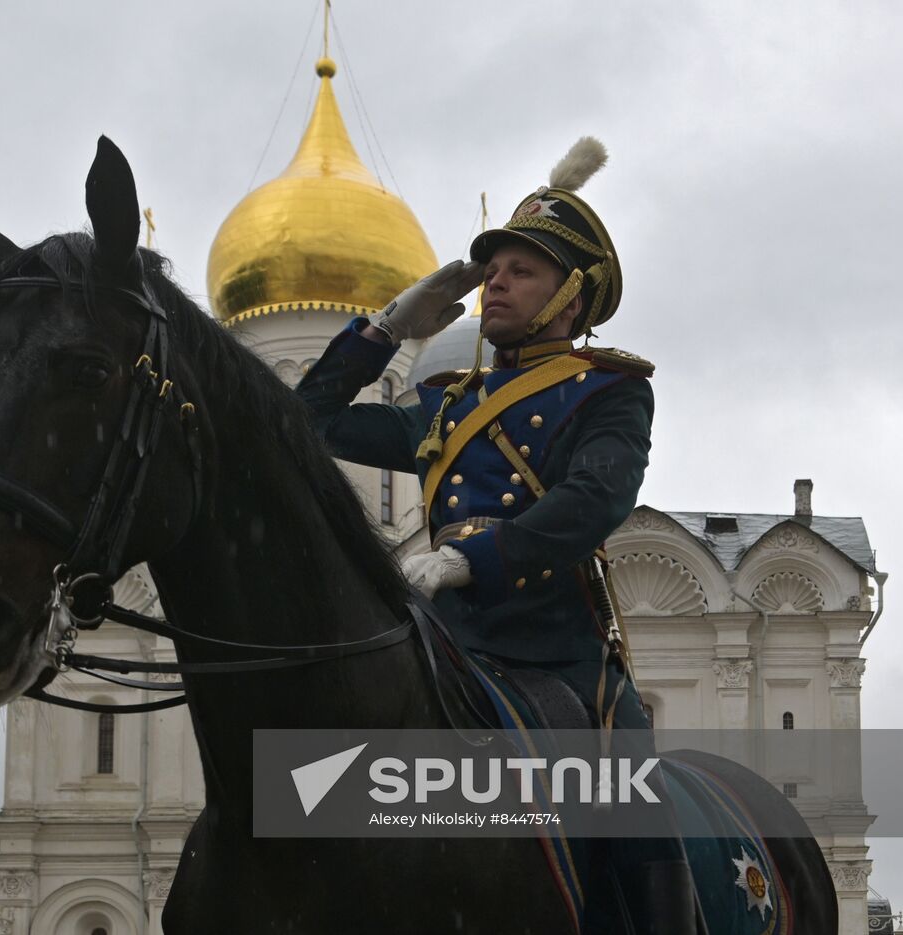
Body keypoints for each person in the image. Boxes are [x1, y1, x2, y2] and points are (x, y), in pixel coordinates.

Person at [295, 138, 698, 934]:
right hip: (444, 641)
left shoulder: (609, 393)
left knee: (633, 805)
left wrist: (469, 559)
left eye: (522, 271)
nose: (498, 284)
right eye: (494, 269)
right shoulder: (446, 404)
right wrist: (386, 326)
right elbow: (307, 421)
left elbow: (594, 498)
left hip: (555, 646)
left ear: (571, 296)